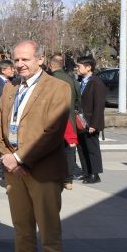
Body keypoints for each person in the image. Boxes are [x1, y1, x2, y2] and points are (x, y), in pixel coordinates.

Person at [0, 40, 70, 252]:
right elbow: (0, 127)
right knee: (22, 231)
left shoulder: (58, 88)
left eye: (25, 59)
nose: (20, 64)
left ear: (40, 59)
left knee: (49, 235)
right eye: (16, 60)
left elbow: (53, 132)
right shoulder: (10, 88)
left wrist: (20, 159)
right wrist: (8, 157)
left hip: (44, 172)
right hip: (14, 173)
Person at [48, 55, 81, 189]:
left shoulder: (50, 80)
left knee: (55, 150)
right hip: (70, 120)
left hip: (55, 120)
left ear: (50, 66)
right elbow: (79, 98)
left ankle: (56, 178)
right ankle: (68, 180)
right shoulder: (71, 78)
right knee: (69, 151)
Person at [76, 55, 107, 184]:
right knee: (82, 148)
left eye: (79, 66)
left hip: (90, 122)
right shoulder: (82, 81)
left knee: (92, 149)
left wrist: (94, 124)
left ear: (88, 67)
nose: (77, 68)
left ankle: (95, 174)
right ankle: (86, 171)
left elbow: (99, 106)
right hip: (81, 122)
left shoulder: (96, 83)